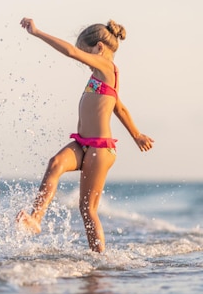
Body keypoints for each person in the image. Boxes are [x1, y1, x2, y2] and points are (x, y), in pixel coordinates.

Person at [16, 18, 154, 252]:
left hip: (100, 149)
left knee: (88, 209)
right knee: (55, 164)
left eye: (85, 54)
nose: (84, 60)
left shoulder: (106, 67)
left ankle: (99, 260)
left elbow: (69, 51)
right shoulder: (102, 75)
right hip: (83, 144)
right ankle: (36, 220)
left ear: (99, 48)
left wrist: (37, 32)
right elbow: (119, 108)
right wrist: (137, 135)